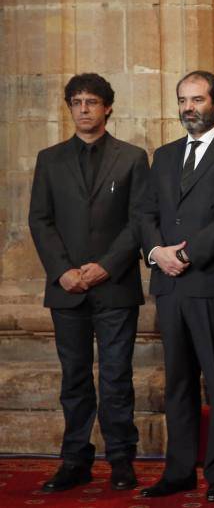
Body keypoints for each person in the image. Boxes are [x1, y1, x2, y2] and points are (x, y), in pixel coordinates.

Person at [135, 71, 214, 502]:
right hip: (170, 287)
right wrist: (157, 252)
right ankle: (179, 471)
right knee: (178, 384)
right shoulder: (164, 155)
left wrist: (185, 255)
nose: (189, 108)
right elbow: (145, 213)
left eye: (197, 100)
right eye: (183, 100)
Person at [28, 74, 149, 493]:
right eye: (76, 101)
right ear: (69, 107)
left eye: (92, 101)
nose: (83, 108)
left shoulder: (132, 157)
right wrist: (62, 270)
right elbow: (40, 220)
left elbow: (139, 220)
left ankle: (121, 459)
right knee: (74, 378)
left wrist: (106, 266)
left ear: (107, 107)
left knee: (116, 377)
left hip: (115, 285)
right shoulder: (49, 159)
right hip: (66, 288)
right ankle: (75, 460)